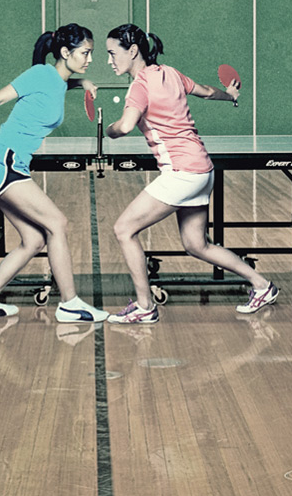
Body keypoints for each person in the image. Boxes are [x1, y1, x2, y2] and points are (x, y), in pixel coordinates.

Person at [102, 24, 278, 324]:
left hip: (182, 172)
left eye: (112, 53)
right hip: (203, 169)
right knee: (197, 245)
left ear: (132, 51)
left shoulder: (139, 86)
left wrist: (110, 130)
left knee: (124, 229)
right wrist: (230, 96)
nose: (109, 61)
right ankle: (262, 286)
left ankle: (145, 307)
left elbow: (126, 125)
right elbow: (207, 92)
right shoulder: (170, 73)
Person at [0, 24, 108, 324]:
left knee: (34, 240)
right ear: (65, 52)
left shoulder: (56, 80)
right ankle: (70, 304)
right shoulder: (39, 74)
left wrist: (82, 82)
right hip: (4, 160)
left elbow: (59, 84)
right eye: (85, 53)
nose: (90, 59)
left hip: (10, 163)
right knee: (57, 223)